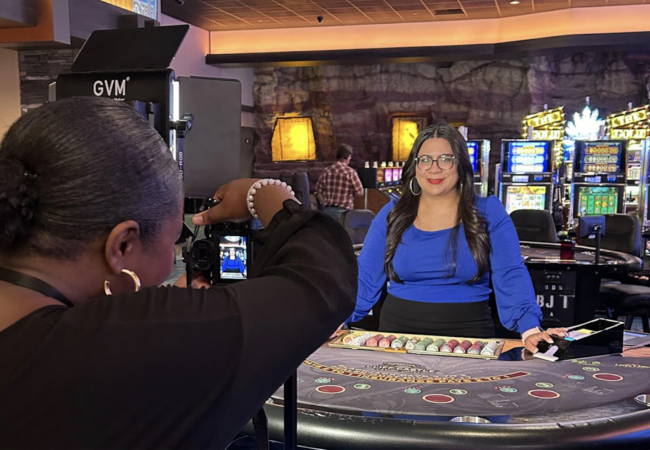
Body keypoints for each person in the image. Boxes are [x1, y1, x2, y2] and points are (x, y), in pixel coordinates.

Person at [0, 97, 357, 449]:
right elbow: (322, 280)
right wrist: (263, 194)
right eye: (173, 242)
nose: (173, 260)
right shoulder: (118, 344)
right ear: (122, 246)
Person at [347, 123, 565, 354]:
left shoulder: (489, 211)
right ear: (415, 166)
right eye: (425, 159)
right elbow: (365, 276)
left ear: (460, 165)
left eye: (445, 159)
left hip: (469, 337)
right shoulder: (392, 214)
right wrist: (336, 319)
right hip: (398, 337)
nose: (434, 169)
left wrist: (530, 329)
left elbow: (510, 273)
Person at [316, 143, 364, 221]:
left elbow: (318, 191)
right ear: (348, 157)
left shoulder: (326, 171)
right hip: (344, 214)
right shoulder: (350, 172)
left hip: (327, 212)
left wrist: (325, 201)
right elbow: (360, 192)